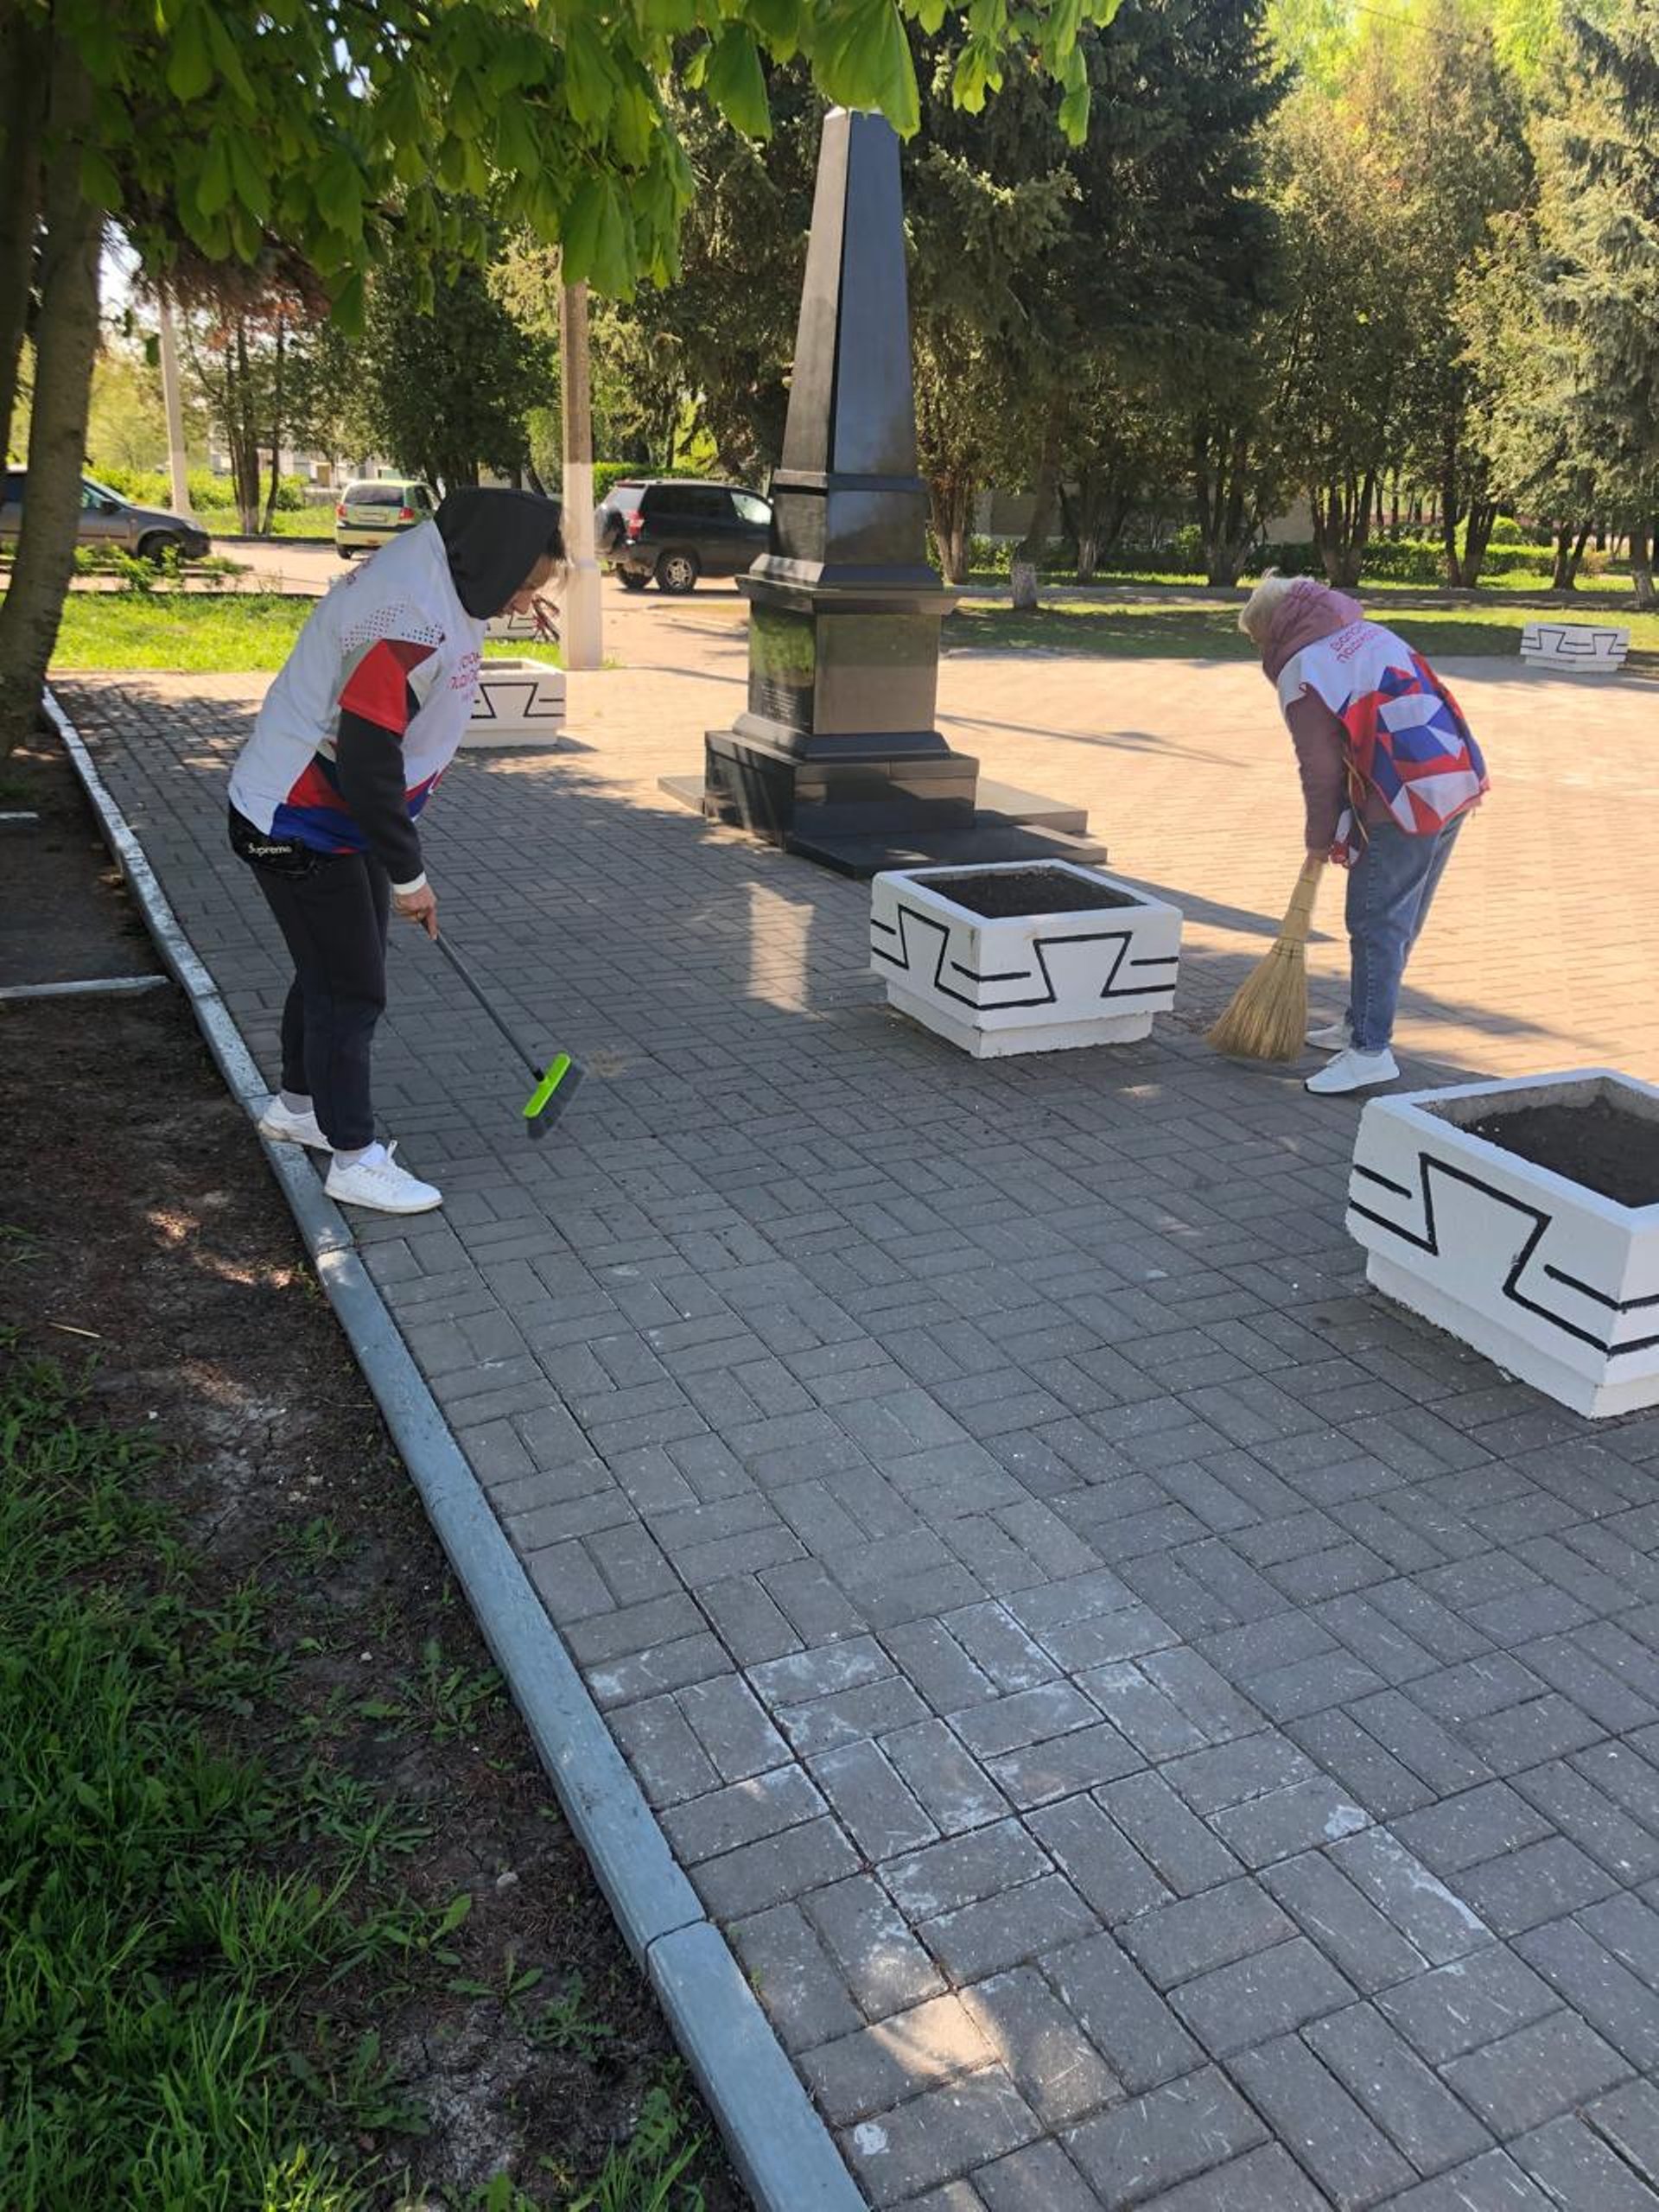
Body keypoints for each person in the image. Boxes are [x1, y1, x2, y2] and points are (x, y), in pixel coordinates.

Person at [227, 487, 563, 1213]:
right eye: (525, 585)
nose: (525, 601)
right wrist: (410, 876)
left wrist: (396, 855)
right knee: (352, 989)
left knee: (331, 968)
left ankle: (298, 1107)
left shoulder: (447, 570)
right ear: (493, 562)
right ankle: (353, 1158)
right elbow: (366, 762)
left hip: (333, 817)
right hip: (297, 820)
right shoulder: (407, 619)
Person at [1238, 571, 1490, 1097]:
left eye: (1258, 642)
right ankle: (1359, 1023)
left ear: (1272, 630)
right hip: (1451, 773)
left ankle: (1371, 1051)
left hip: (1403, 796)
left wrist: (1318, 838)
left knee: (1375, 921)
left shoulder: (1303, 668)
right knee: (1398, 919)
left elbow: (1320, 770)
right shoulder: (1366, 633)